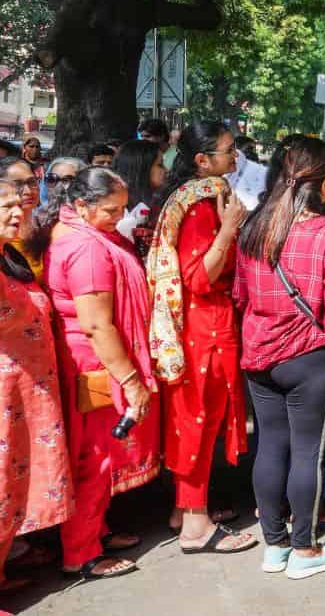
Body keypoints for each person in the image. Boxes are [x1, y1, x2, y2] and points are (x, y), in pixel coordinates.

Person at [235, 138, 325, 579]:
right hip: (310, 356)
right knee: (308, 453)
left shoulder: (254, 225)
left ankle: (274, 548)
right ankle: (305, 550)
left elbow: (240, 295)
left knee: (271, 446)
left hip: (259, 353)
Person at [43, 168, 161, 579]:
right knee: (94, 459)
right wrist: (130, 379)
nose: (120, 215)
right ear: (80, 205)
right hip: (94, 359)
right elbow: (96, 324)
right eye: (111, 209)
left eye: (122, 207)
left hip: (91, 355)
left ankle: (96, 530)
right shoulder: (86, 248)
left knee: (99, 456)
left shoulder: (79, 234)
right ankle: (82, 552)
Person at [145, 122, 256, 554]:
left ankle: (185, 508)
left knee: (197, 420)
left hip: (204, 323)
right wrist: (229, 228)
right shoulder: (201, 205)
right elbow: (200, 277)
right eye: (229, 152)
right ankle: (195, 524)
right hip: (203, 325)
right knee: (198, 419)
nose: (236, 159)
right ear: (202, 161)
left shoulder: (200, 197)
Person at [0, 178, 73, 593]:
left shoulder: (11, 254)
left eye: (19, 205)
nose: (17, 213)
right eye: (6, 206)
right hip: (6, 397)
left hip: (27, 395)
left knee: (13, 488)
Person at [112, 141, 165, 252]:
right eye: (160, 165)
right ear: (142, 168)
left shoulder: (160, 201)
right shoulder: (118, 212)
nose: (166, 170)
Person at [2, 156, 46, 279]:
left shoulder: (45, 227)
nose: (28, 191)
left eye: (32, 182)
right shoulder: (4, 235)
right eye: (17, 184)